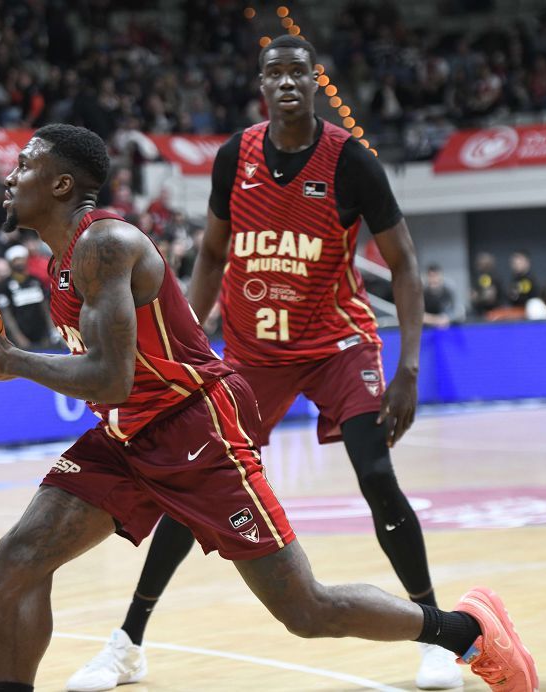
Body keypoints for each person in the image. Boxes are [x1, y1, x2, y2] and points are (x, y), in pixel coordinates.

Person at [0, 123, 537, 692]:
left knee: (306, 609)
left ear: (61, 184)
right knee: (21, 554)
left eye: (23, 165)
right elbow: (112, 386)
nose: (8, 177)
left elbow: (109, 378)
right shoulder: (61, 261)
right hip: (127, 437)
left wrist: (6, 361)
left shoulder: (105, 245)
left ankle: (464, 632)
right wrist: (6, 361)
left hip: (195, 429)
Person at [66, 35, 471, 692]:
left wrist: (410, 369)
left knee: (375, 473)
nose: (286, 83)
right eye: (274, 73)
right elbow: (210, 258)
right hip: (254, 356)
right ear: (262, 84)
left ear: (315, 81)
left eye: (298, 73)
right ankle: (127, 643)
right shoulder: (236, 155)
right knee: (197, 484)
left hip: (338, 346)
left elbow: (403, 267)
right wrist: (188, 340)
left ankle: (433, 634)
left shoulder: (351, 162)